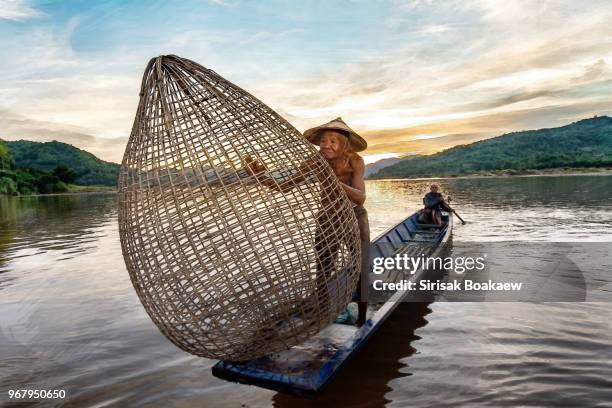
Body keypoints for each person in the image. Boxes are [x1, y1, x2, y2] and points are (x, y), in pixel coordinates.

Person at [245, 117, 370, 326]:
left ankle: (363, 319)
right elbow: (284, 186)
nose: (326, 145)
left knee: (361, 266)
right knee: (323, 270)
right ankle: (322, 317)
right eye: (323, 141)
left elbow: (360, 197)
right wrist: (260, 176)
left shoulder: (355, 161)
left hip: (354, 216)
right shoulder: (315, 161)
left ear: (343, 144)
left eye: (332, 141)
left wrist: (334, 181)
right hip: (327, 218)